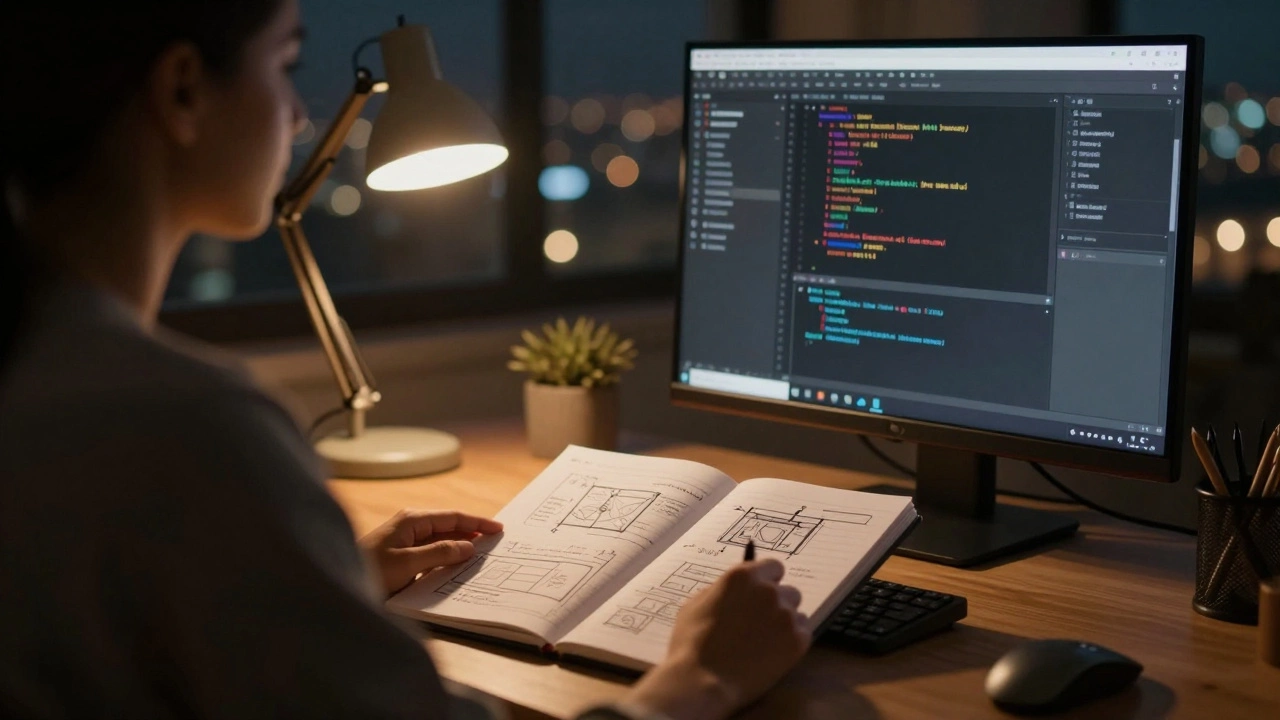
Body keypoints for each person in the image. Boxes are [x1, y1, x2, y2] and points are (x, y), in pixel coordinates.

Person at [0, 2, 810, 718]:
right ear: (181, 90)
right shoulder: (187, 427)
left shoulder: (44, 371)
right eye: (284, 65)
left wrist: (317, 577)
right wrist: (699, 679)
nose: (292, 111)